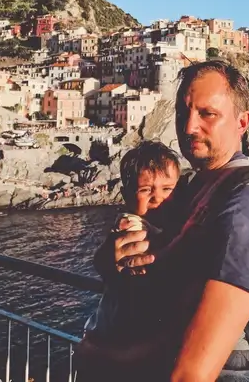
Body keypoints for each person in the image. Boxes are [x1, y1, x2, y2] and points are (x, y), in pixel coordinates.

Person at [104, 60, 249, 381]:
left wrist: (106, 359)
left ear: (242, 122)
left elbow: (192, 375)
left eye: (208, 114)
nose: (189, 127)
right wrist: (113, 260)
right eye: (183, 113)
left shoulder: (246, 207)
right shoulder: (196, 189)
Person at [77, 140, 181, 379]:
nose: (158, 198)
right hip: (119, 345)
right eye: (146, 190)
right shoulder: (133, 227)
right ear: (127, 195)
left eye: (168, 189)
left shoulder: (165, 228)